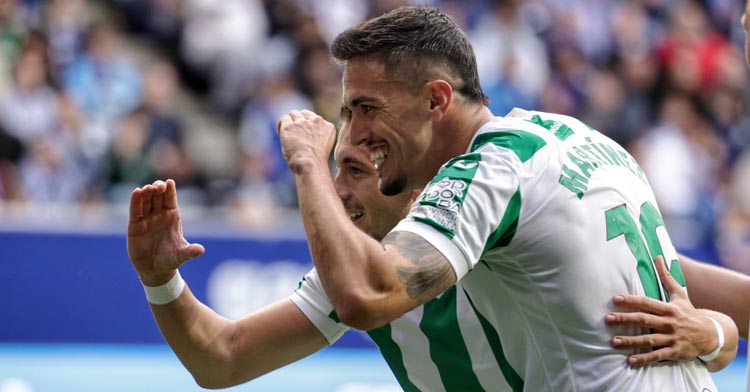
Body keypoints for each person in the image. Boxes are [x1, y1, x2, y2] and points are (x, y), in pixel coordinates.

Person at [275, 6, 738, 390]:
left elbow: (365, 295)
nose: (356, 133)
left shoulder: (494, 170)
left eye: (367, 109)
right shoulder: (582, 139)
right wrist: (717, 334)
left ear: (437, 101)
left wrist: (308, 165)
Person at [128, 120, 743, 391]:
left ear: (417, 183)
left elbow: (723, 320)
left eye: (353, 171)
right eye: (331, 171)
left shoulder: (524, 228)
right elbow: (222, 360)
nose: (336, 193)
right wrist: (161, 283)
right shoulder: (354, 274)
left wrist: (713, 335)